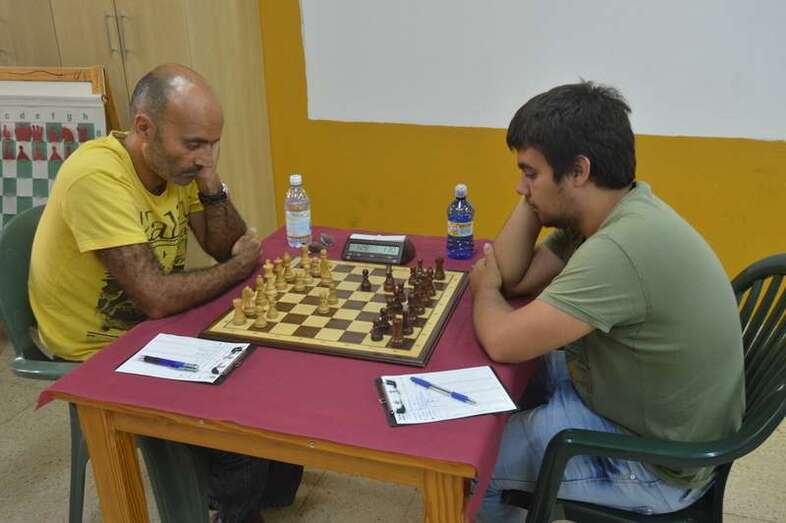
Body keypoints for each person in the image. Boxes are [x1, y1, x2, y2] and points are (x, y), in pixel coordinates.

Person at [29, 64, 301, 523]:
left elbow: (224, 245)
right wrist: (236, 267)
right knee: (236, 406)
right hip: (96, 347)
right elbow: (157, 296)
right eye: (194, 144)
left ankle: (256, 495)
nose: (204, 157)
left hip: (154, 326)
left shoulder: (176, 168)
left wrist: (211, 185)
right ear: (144, 128)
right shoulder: (98, 177)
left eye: (213, 143)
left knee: (279, 363)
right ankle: (226, 508)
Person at [470, 82, 745, 521]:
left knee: (474, 465)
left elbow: (503, 338)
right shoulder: (615, 210)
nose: (520, 187)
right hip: (624, 400)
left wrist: (484, 289)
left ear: (579, 171)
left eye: (530, 173)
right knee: (499, 392)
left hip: (653, 461)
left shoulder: (620, 249)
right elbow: (514, 277)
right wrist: (535, 196)